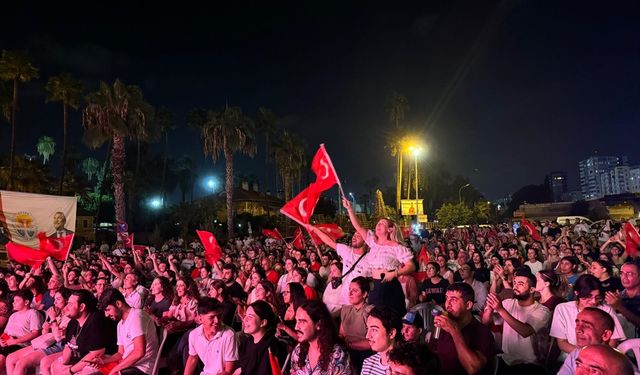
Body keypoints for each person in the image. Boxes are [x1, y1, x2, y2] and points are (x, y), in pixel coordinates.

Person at [344, 198, 415, 316]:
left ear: (390, 229)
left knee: (391, 319)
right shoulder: (373, 242)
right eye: (378, 223)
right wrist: (349, 209)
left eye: (382, 224)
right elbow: (358, 226)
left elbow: (411, 266)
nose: (378, 225)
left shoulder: (396, 246)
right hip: (375, 287)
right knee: (376, 319)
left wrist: (394, 273)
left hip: (390, 287)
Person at [481, 270, 551, 373]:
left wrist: (501, 310)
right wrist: (490, 308)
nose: (515, 286)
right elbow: (485, 323)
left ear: (532, 289)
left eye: (520, 283)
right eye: (515, 283)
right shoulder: (508, 303)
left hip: (529, 364)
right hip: (506, 360)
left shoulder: (542, 311)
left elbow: (525, 331)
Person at [429, 282, 496, 375]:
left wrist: (454, 330)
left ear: (468, 305)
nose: (447, 304)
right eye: (446, 298)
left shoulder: (482, 332)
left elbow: (473, 369)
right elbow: (431, 355)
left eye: (453, 299)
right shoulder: (443, 327)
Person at [550, 274, 626, 355]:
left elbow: (613, 340)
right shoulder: (563, 309)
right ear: (577, 293)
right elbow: (562, 343)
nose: (593, 301)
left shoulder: (606, 310)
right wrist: (586, 354)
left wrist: (599, 356)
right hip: (572, 355)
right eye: (588, 296)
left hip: (601, 356)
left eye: (597, 297)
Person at [48, 289, 118, 375]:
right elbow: (68, 348)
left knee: (86, 372)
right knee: (55, 365)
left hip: (103, 359)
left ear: (81, 307)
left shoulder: (96, 320)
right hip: (81, 357)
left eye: (70, 304)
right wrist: (63, 365)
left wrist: (70, 371)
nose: (66, 308)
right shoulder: (73, 322)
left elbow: (96, 354)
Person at [6, 288, 71, 375]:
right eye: (54, 299)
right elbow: (44, 333)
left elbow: (59, 338)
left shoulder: (69, 316)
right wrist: (46, 328)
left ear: (67, 300)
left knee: (21, 363)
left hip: (57, 346)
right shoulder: (56, 313)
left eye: (58, 299)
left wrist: (53, 320)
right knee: (10, 358)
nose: (55, 302)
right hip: (44, 342)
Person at [98, 289, 159, 375]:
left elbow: (139, 352)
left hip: (142, 369)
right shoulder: (120, 324)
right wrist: (103, 361)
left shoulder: (136, 316)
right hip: (129, 365)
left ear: (118, 304)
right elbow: (120, 353)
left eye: (108, 309)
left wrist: (115, 369)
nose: (106, 315)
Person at [307, 224, 369, 306]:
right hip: (344, 303)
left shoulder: (370, 259)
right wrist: (315, 229)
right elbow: (329, 241)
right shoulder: (347, 251)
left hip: (359, 305)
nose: (354, 236)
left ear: (366, 241)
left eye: (358, 235)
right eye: (354, 234)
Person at [290, 300, 353, 375]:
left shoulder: (337, 354)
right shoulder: (298, 350)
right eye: (296, 321)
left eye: (302, 321)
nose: (296, 327)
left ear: (318, 324)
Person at [185, 297, 239, 375]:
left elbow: (229, 370)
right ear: (200, 318)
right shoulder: (194, 335)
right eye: (212, 317)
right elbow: (193, 358)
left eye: (219, 316)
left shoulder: (229, 334)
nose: (217, 321)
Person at [557, 307, 615, 375]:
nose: (578, 330)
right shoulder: (575, 355)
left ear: (605, 335)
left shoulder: (617, 366)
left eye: (586, 326)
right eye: (577, 324)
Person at [238, 300, 288, 374]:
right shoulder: (246, 343)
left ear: (263, 322)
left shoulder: (272, 349)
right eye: (245, 316)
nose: (244, 320)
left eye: (250, 317)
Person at [0, 290, 44, 371]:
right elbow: (6, 332)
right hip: (8, 343)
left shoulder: (32, 313)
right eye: (13, 301)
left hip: (21, 345)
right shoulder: (13, 315)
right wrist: (1, 340)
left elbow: (35, 333)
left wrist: (15, 341)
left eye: (17, 300)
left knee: (1, 357)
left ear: (26, 302)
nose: (13, 303)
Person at [339, 276, 373, 371]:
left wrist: (349, 345)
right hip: (346, 351)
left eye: (355, 290)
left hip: (363, 354)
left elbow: (372, 342)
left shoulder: (369, 312)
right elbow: (341, 334)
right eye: (349, 289)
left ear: (364, 294)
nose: (350, 293)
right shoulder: (346, 310)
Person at [361, 305, 403, 375]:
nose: (367, 336)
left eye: (374, 330)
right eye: (368, 329)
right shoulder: (368, 363)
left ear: (391, 333)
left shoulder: (404, 368)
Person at [605, 260, 640, 336]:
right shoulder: (617, 297)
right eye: (621, 273)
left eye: (629, 274)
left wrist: (619, 307)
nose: (624, 277)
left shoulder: (617, 302)